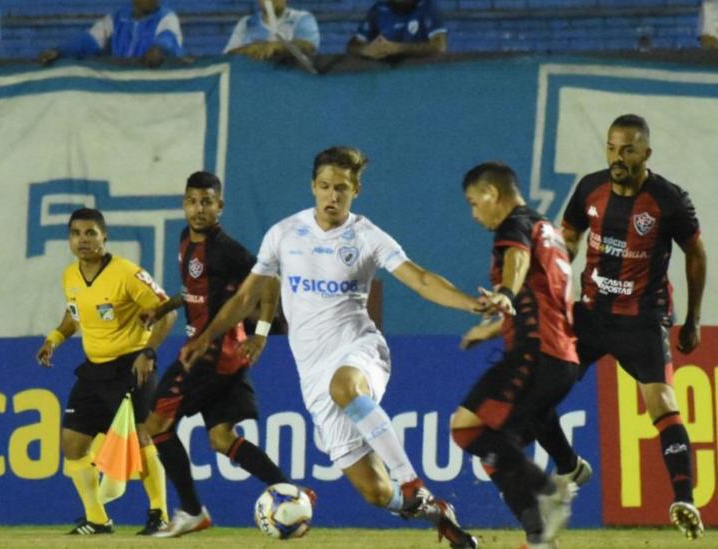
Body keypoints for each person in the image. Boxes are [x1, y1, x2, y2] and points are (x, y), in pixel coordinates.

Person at [181, 146, 482, 549]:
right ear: (313, 187)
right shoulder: (284, 234)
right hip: (313, 374)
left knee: (345, 388)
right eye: (324, 186)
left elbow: (421, 278)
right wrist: (205, 337)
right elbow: (244, 299)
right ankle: (437, 515)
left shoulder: (366, 236)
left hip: (359, 350)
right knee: (375, 493)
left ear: (356, 189)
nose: (332, 196)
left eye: (341, 188)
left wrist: (471, 303)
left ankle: (413, 483)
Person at [561, 114, 707, 540]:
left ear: (646, 153)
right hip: (590, 313)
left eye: (627, 149)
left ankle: (684, 499)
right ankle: (563, 468)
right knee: (540, 380)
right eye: (611, 147)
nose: (617, 157)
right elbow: (568, 235)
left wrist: (693, 320)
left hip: (641, 319)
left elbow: (696, 255)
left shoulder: (669, 200)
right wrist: (557, 269)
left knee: (661, 401)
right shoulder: (590, 188)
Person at [138, 171, 295, 538]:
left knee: (156, 425)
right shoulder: (186, 241)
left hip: (211, 354)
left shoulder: (228, 249)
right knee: (222, 438)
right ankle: (288, 493)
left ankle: (192, 511)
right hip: (218, 355)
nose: (198, 209)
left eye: (207, 202)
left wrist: (260, 335)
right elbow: (195, 289)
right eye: (192, 201)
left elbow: (269, 279)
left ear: (219, 206)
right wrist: (162, 310)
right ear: (184, 204)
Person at [450, 163, 581, 549]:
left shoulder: (515, 226)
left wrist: (505, 292)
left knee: (467, 427)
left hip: (535, 354)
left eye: (475, 203)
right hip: (561, 359)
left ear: (493, 192)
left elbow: (517, 262)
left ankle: (549, 491)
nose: (475, 214)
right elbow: (544, 297)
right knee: (497, 450)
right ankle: (540, 537)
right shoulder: (550, 232)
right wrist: (492, 328)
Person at [35, 208, 176, 535]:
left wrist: (148, 351)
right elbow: (75, 315)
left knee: (142, 439)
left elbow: (166, 311)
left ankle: (160, 514)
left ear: (104, 236)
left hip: (130, 366)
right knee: (72, 444)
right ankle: (97, 519)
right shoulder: (69, 276)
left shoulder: (127, 273)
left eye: (90, 233)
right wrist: (54, 338)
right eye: (76, 234)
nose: (82, 240)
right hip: (94, 371)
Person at [37, 0, 183, 68]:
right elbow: (89, 40)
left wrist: (159, 49)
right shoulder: (116, 18)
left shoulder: (167, 17)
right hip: (120, 88)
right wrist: (59, 51)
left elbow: (168, 39)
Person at [347, 0, 446, 60]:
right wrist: (367, 50)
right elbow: (353, 45)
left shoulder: (426, 7)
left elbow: (439, 46)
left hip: (420, 75)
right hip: (386, 79)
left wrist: (396, 48)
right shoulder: (379, 10)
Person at [224, 0, 319, 61]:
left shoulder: (302, 18)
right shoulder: (246, 23)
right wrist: (250, 49)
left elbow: (308, 47)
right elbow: (229, 55)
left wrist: (277, 47)